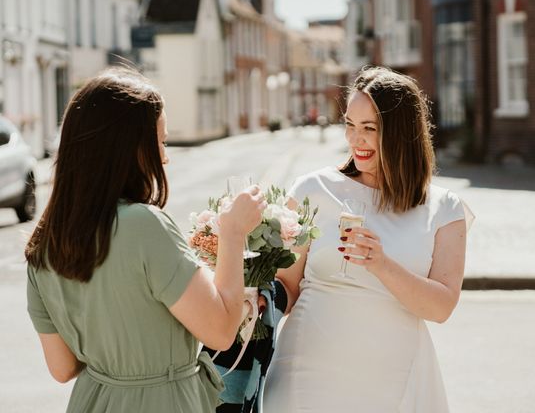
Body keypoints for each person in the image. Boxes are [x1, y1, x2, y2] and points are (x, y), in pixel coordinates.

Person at [25, 68, 266, 412]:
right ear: (129, 147)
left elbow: (62, 368)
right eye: (161, 141)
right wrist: (232, 233)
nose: (165, 157)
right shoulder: (144, 226)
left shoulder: (42, 245)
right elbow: (221, 332)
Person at [263, 66, 473, 412]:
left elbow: (441, 307)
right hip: (306, 373)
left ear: (400, 133)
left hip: (393, 380)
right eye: (349, 124)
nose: (355, 139)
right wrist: (254, 300)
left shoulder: (443, 208)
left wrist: (382, 264)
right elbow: (287, 285)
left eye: (369, 128)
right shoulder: (312, 190)